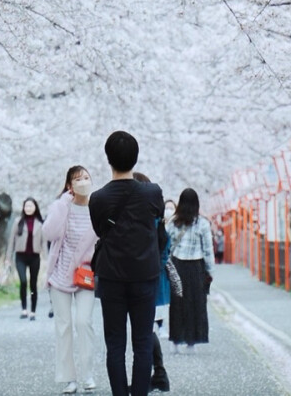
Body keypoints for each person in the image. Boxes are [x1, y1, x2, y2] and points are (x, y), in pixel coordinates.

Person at [89, 131, 164, 396]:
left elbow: (100, 231)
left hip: (111, 277)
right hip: (145, 275)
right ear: (136, 157)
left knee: (115, 344)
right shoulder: (152, 193)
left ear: (108, 158)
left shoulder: (97, 198)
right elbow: (158, 222)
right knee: (143, 342)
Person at [45, 166, 99, 395]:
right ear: (69, 185)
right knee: (63, 326)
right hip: (60, 275)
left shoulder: (98, 207)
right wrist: (62, 204)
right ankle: (69, 378)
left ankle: (87, 373)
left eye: (86, 178)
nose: (83, 182)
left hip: (86, 275)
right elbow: (49, 234)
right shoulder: (62, 207)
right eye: (78, 179)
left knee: (83, 322)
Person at [133, 173, 171, 394]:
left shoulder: (152, 217)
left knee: (144, 330)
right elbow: (165, 248)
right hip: (151, 278)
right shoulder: (154, 215)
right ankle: (158, 374)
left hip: (148, 280)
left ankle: (156, 375)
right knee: (146, 329)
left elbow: (164, 248)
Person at [167, 189, 214, 350]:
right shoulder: (203, 223)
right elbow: (208, 250)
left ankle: (176, 340)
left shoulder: (173, 222)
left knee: (177, 303)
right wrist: (210, 271)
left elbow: (167, 246)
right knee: (196, 303)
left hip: (177, 265)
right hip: (196, 266)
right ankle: (191, 340)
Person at [13, 197, 45, 320]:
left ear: (35, 207)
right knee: (23, 281)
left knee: (33, 284)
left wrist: (47, 259)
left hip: (34, 257)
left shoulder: (40, 223)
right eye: (26, 206)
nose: (28, 208)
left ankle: (33, 311)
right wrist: (7, 258)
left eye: (31, 206)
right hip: (20, 256)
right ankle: (24, 309)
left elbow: (44, 242)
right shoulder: (18, 222)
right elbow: (11, 240)